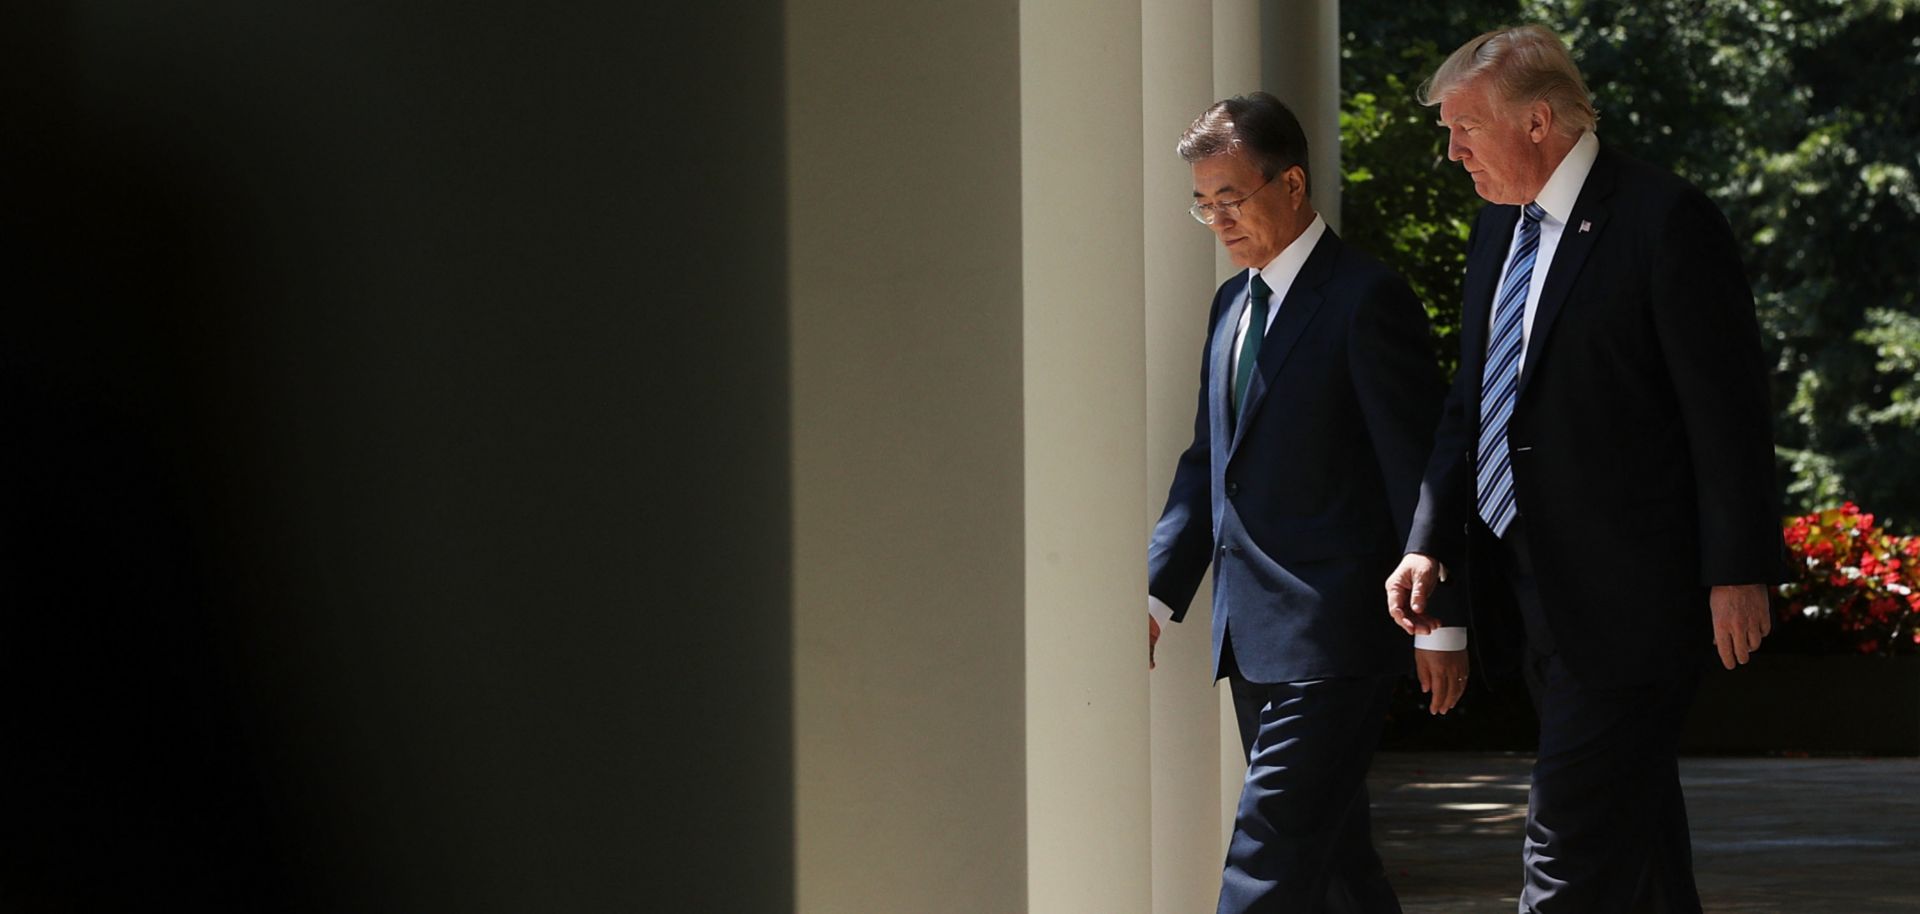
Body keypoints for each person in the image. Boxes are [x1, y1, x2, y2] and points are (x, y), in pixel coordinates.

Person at [1384, 25, 1785, 914]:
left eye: (1465, 129)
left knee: (1565, 851)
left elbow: (1727, 415)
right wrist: (1427, 542)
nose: (1452, 153)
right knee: (1634, 843)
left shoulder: (1663, 219)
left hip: (1635, 599)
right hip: (1529, 596)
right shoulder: (1498, 230)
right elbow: (1471, 402)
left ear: (1536, 122)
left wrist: (1738, 568)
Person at [1147, 92, 1464, 914]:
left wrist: (1447, 621)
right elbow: (1207, 463)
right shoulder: (1229, 307)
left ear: (1290, 185)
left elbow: (1419, 470)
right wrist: (1156, 589)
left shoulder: (1366, 298)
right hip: (1250, 637)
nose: (1217, 220)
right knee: (1335, 864)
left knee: (1268, 857)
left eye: (1232, 198)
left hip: (1337, 639)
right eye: (1203, 204)